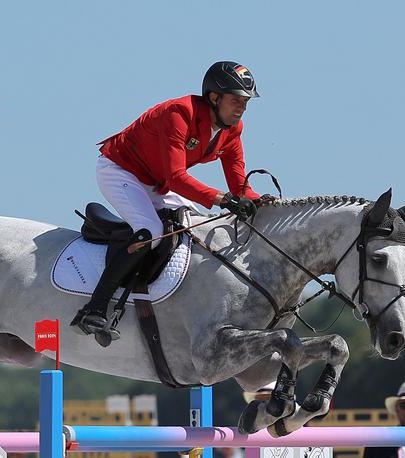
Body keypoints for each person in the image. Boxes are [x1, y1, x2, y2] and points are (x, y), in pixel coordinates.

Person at [70, 61, 265, 341]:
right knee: (151, 230)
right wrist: (222, 199)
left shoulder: (233, 129)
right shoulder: (179, 113)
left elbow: (240, 185)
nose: (241, 108)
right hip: (119, 170)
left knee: (197, 225)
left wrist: (263, 203)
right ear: (213, 97)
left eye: (245, 102)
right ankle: (96, 307)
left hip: (155, 181)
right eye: (235, 100)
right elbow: (176, 177)